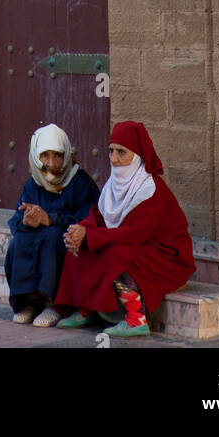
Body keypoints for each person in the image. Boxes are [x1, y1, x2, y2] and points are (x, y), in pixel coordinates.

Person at [54, 120, 195, 337]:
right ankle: (86, 309)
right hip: (138, 247)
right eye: (111, 151)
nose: (114, 159)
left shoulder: (151, 189)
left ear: (137, 156)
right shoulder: (114, 185)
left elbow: (136, 233)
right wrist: (80, 229)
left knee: (115, 254)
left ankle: (136, 319)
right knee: (80, 245)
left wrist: (91, 235)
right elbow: (99, 217)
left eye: (122, 152)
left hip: (166, 257)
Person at [4, 123, 100, 326]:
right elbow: (15, 221)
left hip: (65, 244)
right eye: (44, 156)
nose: (52, 163)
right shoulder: (32, 185)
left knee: (52, 237)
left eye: (57, 155)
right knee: (19, 241)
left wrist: (50, 219)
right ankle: (28, 303)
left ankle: (55, 304)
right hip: (37, 237)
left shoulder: (80, 183)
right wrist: (26, 221)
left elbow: (90, 221)